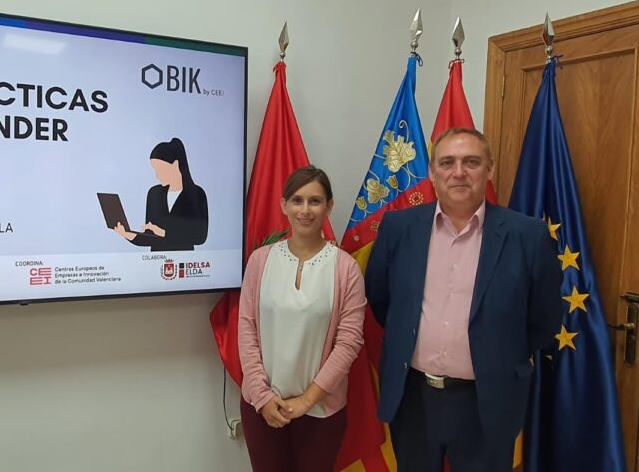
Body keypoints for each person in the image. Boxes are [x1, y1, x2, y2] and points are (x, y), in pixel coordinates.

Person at [365, 128, 563, 471]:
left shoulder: (527, 235)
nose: (458, 172)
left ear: (489, 169)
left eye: (471, 162)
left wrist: (497, 353)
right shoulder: (398, 227)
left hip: (488, 400)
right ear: (432, 172)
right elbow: (382, 299)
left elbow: (544, 319)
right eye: (447, 162)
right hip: (413, 398)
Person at [237, 165, 366, 472]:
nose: (305, 210)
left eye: (315, 201)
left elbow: (348, 343)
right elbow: (246, 330)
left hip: (321, 412)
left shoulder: (345, 268)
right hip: (263, 408)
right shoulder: (260, 261)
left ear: (329, 206)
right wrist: (263, 397)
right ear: (284, 205)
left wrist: (307, 401)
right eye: (297, 200)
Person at [114, 137, 208, 251]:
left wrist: (163, 232)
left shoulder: (197, 194)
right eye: (155, 170)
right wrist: (126, 234)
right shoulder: (154, 194)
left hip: (182, 258)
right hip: (156, 259)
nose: (157, 175)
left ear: (175, 164)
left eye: (160, 169)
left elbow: (199, 237)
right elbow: (150, 238)